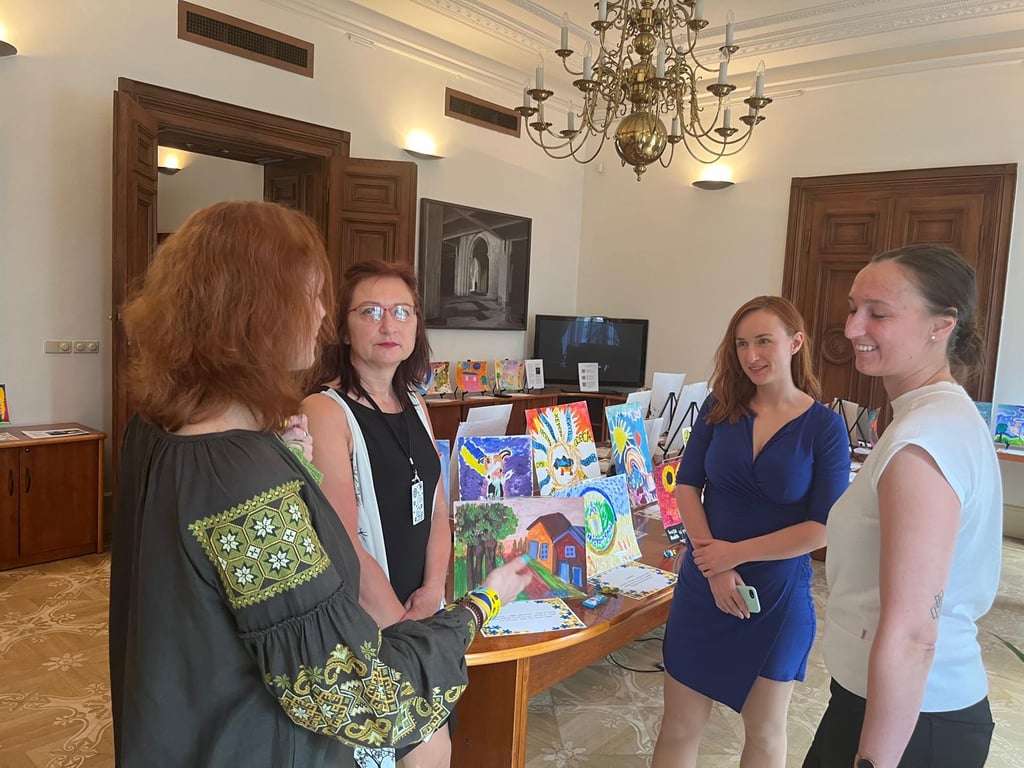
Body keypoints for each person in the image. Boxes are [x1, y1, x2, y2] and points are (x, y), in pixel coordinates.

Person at [108, 201, 531, 768]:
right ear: (252, 309)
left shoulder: (156, 426)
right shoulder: (241, 479)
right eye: (308, 295)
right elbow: (356, 696)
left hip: (178, 719)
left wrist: (293, 471)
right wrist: (481, 603)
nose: (320, 314)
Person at [803, 245, 1002, 768]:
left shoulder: (925, 437)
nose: (851, 329)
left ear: (942, 325)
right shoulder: (932, 417)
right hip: (889, 706)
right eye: (853, 308)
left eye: (879, 313)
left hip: (913, 722)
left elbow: (914, 633)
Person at [653, 296, 850, 768]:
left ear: (795, 343)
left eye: (764, 341)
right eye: (742, 343)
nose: (751, 355)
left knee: (764, 734)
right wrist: (714, 567)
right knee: (679, 726)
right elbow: (685, 485)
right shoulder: (721, 407)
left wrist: (732, 555)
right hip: (705, 583)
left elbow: (822, 528)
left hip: (777, 597)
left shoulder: (824, 428)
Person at [300, 259, 456, 765]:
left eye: (402, 312)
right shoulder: (324, 410)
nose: (389, 325)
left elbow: (436, 511)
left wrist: (433, 592)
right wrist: (402, 627)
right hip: (370, 618)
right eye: (369, 311)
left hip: (421, 608)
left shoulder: (416, 400)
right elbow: (342, 540)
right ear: (343, 328)